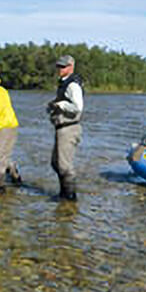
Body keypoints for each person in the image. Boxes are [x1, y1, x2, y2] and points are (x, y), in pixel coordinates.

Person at [46, 54, 84, 200]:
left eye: (63, 66)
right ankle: (64, 194)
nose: (60, 69)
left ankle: (70, 197)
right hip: (61, 128)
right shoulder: (63, 83)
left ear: (71, 67)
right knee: (55, 163)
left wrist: (61, 105)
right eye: (59, 66)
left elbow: (78, 107)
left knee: (64, 166)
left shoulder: (73, 85)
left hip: (69, 128)